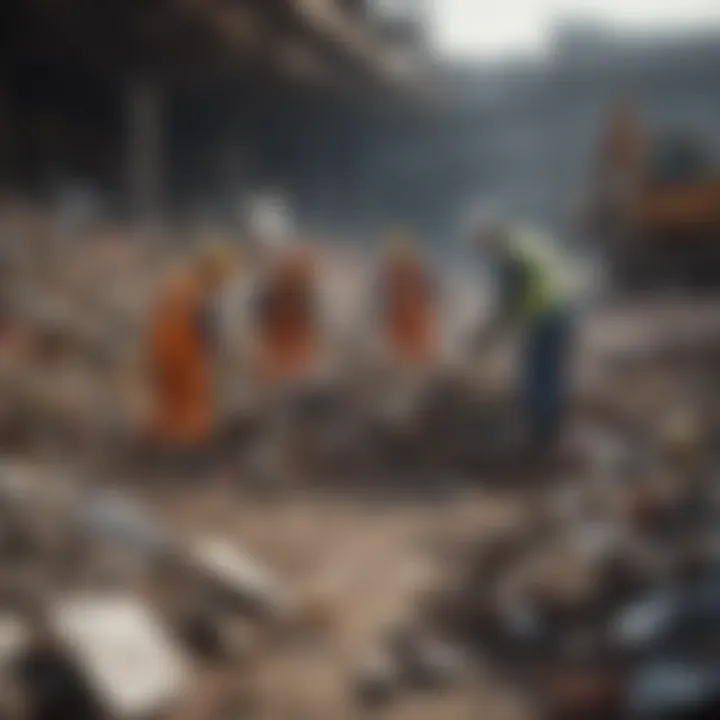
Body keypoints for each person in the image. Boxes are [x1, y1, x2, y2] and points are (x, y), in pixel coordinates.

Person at [470, 210, 574, 453]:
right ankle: (552, 432)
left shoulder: (512, 255)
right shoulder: (527, 240)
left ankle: (540, 436)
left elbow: (508, 302)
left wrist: (485, 335)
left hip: (546, 314)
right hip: (563, 309)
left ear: (491, 237)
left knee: (537, 374)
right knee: (552, 373)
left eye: (483, 245)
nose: (486, 252)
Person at [145, 242, 236, 450]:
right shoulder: (200, 294)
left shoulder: (178, 284)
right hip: (185, 355)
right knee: (191, 403)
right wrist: (220, 352)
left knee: (166, 399)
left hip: (162, 351)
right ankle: (184, 446)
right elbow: (208, 328)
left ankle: (159, 440)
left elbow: (158, 319)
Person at [379, 230, 439, 367]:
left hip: (415, 321)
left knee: (419, 351)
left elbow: (431, 294)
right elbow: (384, 301)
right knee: (402, 352)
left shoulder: (417, 272)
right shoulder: (390, 275)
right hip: (400, 320)